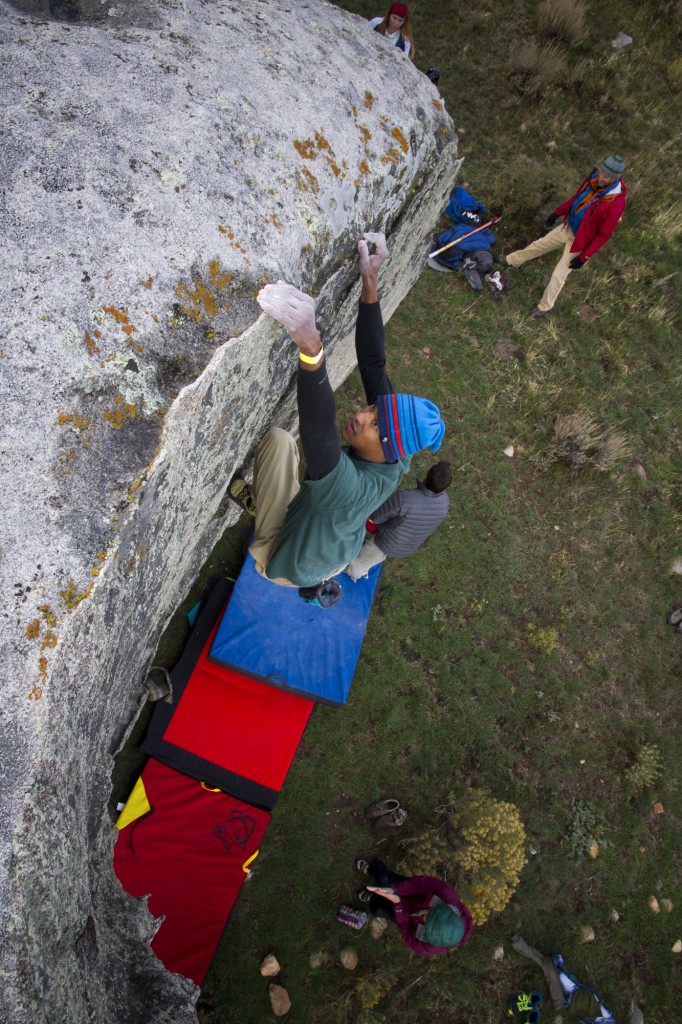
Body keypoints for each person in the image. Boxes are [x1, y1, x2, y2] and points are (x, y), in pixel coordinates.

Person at [229, 232, 445, 590]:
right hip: (335, 545)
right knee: (309, 477)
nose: (362, 415)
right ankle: (290, 504)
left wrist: (311, 346)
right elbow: (374, 363)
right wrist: (370, 278)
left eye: (375, 424)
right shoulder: (396, 451)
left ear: (388, 445)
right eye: (374, 407)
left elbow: (319, 430)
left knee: (279, 441)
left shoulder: (349, 488)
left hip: (292, 564)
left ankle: (268, 516)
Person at [503, 154, 627, 318]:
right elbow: (576, 199)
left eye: (606, 176)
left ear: (615, 178)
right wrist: (557, 212)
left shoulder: (616, 202)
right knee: (539, 245)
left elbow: (604, 235)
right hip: (569, 227)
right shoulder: (593, 178)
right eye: (602, 173)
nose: (601, 177)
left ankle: (544, 306)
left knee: (558, 275)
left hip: (580, 242)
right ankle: (511, 260)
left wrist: (584, 257)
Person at [346, 461, 452, 581]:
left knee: (359, 563)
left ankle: (352, 572)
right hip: (408, 545)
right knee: (378, 554)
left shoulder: (405, 499)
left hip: (388, 543)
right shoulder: (445, 503)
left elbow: (376, 516)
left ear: (428, 473)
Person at [355, 857, 473, 957]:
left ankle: (371, 899)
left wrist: (399, 906)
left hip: (407, 918)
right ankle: (371, 868)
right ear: (444, 909)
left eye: (425, 921)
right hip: (414, 894)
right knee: (386, 879)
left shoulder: (428, 947)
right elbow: (418, 884)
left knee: (380, 909)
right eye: (429, 912)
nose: (422, 914)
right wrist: (395, 889)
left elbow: (406, 933)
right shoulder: (447, 894)